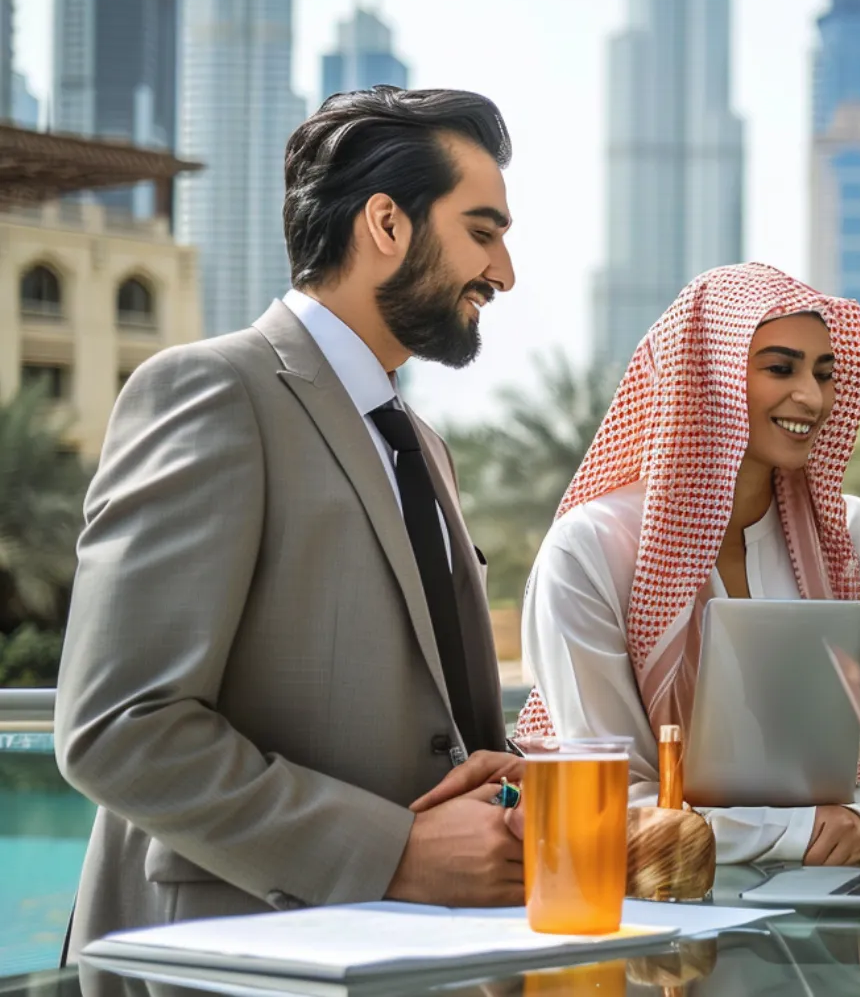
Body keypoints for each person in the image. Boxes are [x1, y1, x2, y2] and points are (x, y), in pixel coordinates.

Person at [56, 87, 530, 956]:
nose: (504, 272)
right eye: (483, 231)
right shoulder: (210, 391)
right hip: (226, 956)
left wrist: (508, 788)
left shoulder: (421, 444)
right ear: (385, 224)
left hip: (409, 956)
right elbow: (119, 726)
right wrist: (395, 854)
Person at [514, 263, 860, 868]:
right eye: (781, 368)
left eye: (824, 373)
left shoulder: (859, 538)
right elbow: (610, 802)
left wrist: (857, 818)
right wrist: (795, 833)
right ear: (709, 379)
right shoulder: (588, 551)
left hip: (825, 918)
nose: (813, 396)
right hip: (651, 920)